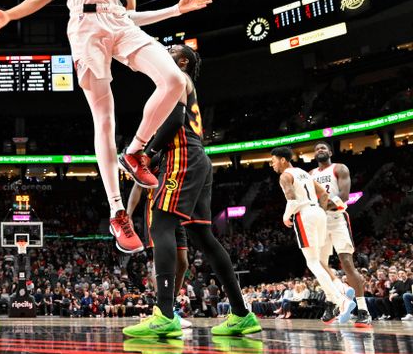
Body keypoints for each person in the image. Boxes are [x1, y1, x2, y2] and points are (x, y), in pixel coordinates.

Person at [0, 0, 213, 253]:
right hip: (85, 28)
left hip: (119, 23)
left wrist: (176, 10)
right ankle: (118, 211)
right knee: (104, 118)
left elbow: (130, 15)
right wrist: (9, 16)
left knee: (174, 81)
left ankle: (134, 152)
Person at [123, 45, 260, 338]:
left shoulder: (175, 76)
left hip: (183, 156)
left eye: (171, 49)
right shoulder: (183, 81)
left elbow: (173, 121)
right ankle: (240, 314)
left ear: (182, 60)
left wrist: (149, 152)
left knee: (160, 224)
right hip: (197, 157)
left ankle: (163, 314)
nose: (165, 50)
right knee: (203, 238)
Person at [270, 146, 355, 324]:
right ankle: (340, 287)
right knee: (321, 261)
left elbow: (292, 200)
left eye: (274, 160)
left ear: (283, 160)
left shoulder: (285, 176)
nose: (272, 164)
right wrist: (320, 212)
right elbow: (323, 194)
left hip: (305, 215)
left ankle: (341, 301)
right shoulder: (304, 172)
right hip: (319, 213)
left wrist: (286, 216)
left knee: (313, 262)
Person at [309, 142, 370, 327]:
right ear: (314, 154)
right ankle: (333, 301)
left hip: (337, 219)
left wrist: (321, 206)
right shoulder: (311, 175)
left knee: (347, 264)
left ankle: (363, 310)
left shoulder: (339, 168)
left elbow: (343, 196)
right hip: (320, 221)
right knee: (319, 265)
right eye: (317, 149)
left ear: (330, 152)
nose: (320, 150)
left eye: (323, 148)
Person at [126, 183, 191, 327]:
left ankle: (170, 309)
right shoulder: (149, 161)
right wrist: (128, 214)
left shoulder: (176, 161)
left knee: (183, 263)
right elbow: (137, 185)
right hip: (156, 209)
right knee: (161, 260)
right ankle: (163, 309)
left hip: (176, 210)